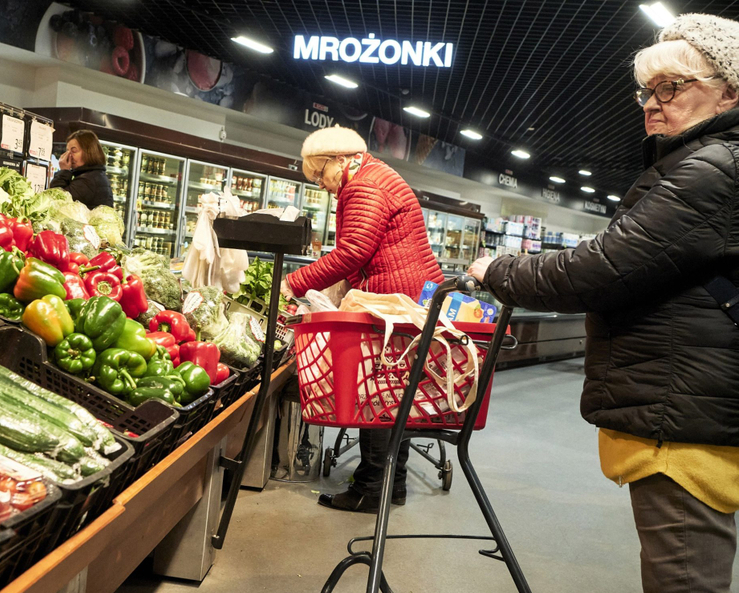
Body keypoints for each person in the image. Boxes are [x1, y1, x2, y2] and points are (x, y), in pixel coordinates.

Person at [468, 13, 739, 593]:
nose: (652, 102)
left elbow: (599, 270)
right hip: (687, 400)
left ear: (730, 90)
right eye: (647, 89)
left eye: (672, 86)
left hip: (680, 415)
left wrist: (498, 270)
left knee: (683, 574)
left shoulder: (711, 169)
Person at [279, 125, 444, 513]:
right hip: (404, 297)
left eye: (320, 174)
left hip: (392, 300)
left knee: (377, 393)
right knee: (394, 394)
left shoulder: (364, 186)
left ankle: (372, 488)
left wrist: (293, 283)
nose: (321, 184)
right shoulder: (375, 174)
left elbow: (354, 250)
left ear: (339, 160)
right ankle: (390, 486)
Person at [51, 130, 114, 209]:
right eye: (67, 151)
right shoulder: (94, 175)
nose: (68, 155)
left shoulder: (89, 180)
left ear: (89, 152)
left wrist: (64, 171)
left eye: (73, 151)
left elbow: (55, 200)